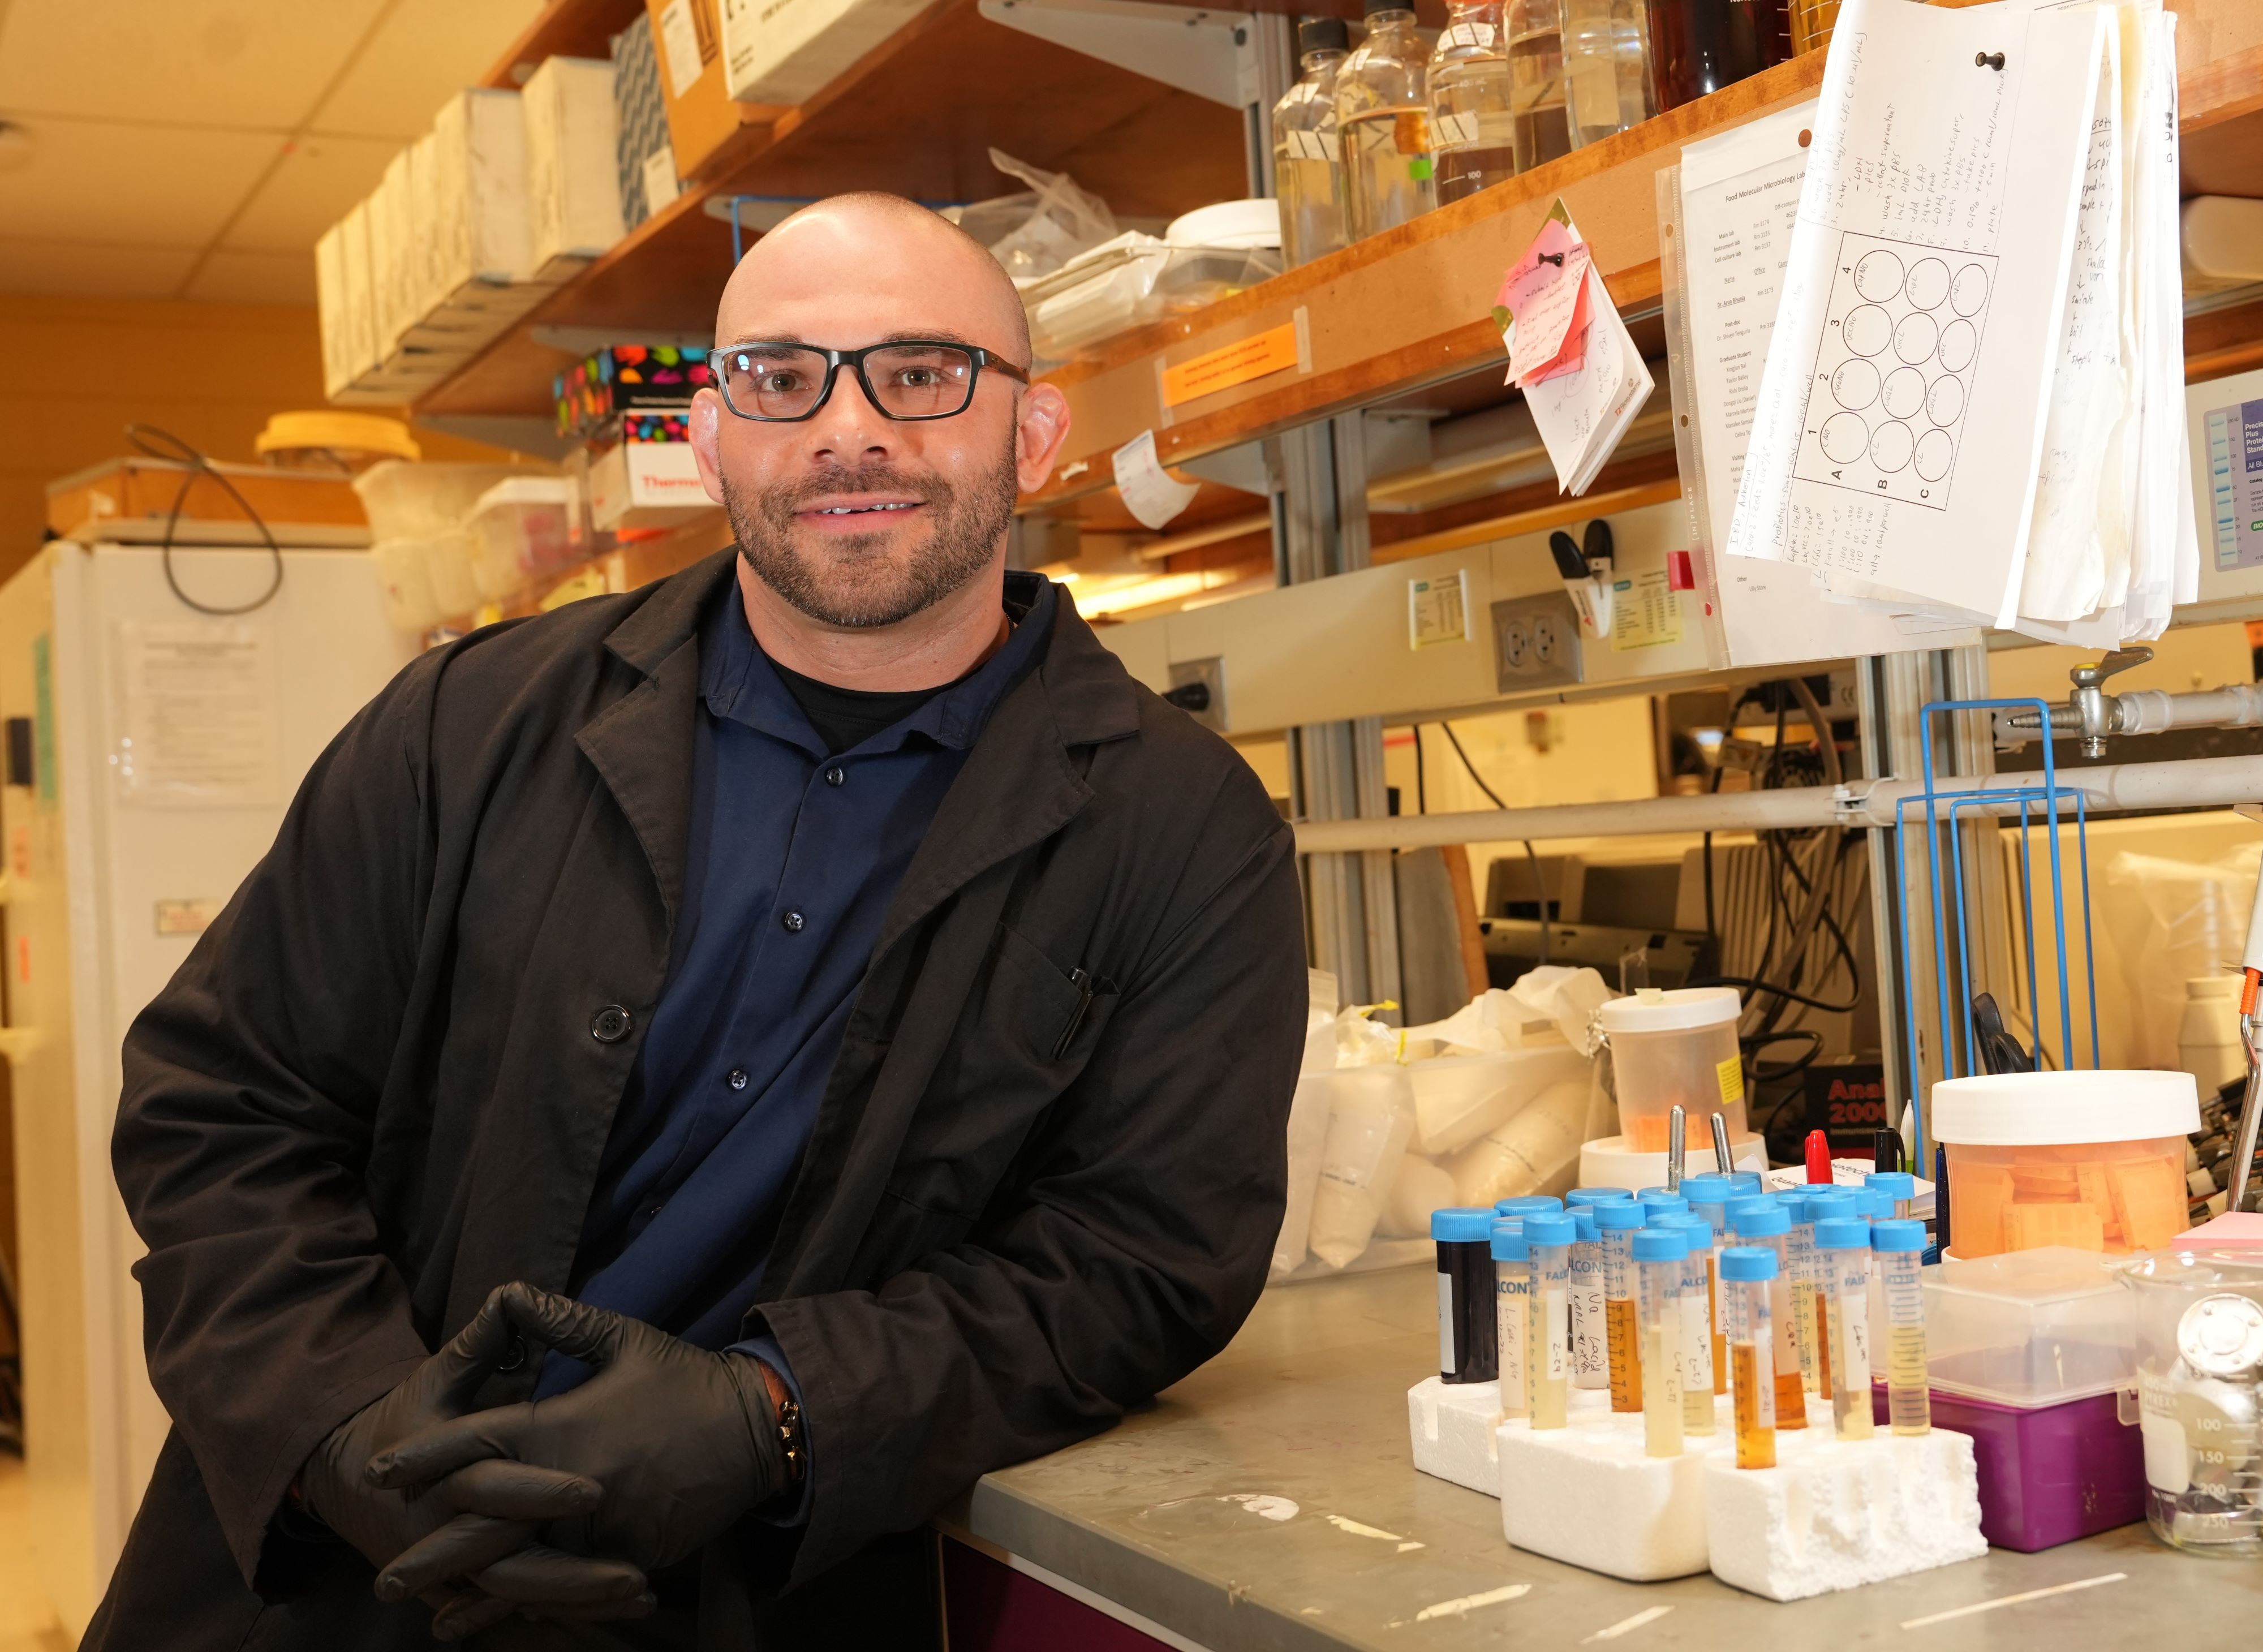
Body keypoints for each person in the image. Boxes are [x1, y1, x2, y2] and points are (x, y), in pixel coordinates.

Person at [88, 193, 1307, 1650]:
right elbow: (221, 1102)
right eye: (780, 379)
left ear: (1031, 434)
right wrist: (346, 1425)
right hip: (330, 1584)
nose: (847, 429)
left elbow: (1136, 1259)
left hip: (736, 1587)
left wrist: (774, 1412)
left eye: (918, 374)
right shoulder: (464, 726)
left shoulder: (1183, 829)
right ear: (712, 437)